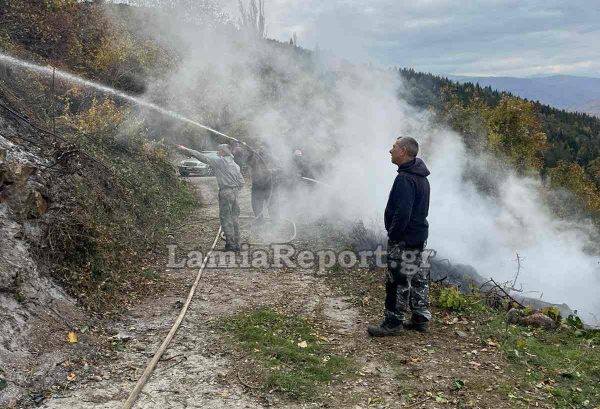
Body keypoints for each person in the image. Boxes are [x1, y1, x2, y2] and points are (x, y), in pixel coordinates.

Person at [367, 136, 431, 336]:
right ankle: (420, 317)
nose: (390, 150)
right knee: (418, 276)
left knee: (396, 280)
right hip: (418, 236)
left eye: (394, 147)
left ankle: (393, 322)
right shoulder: (421, 177)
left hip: (403, 240)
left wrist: (393, 234)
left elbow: (403, 212)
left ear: (403, 151)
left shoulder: (405, 178)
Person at [177, 143, 244, 251]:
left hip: (225, 192)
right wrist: (235, 190)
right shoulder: (235, 165)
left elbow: (201, 157)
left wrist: (185, 149)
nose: (217, 153)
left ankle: (230, 245)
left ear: (223, 152)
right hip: (235, 193)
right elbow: (242, 182)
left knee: (226, 218)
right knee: (235, 218)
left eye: (219, 151)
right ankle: (237, 244)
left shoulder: (219, 162)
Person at [247, 146, 279, 222]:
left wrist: (272, 171)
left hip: (270, 184)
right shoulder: (255, 158)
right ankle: (260, 221)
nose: (261, 150)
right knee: (256, 203)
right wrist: (250, 152)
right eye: (260, 149)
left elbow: (279, 168)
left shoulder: (273, 158)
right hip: (257, 184)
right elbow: (248, 161)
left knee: (271, 203)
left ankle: (275, 220)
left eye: (262, 149)